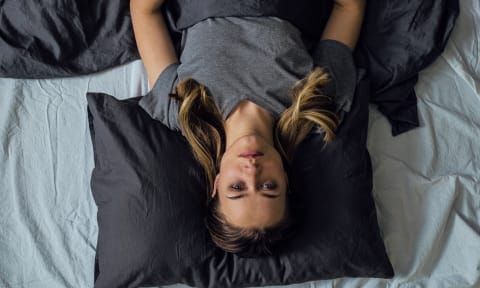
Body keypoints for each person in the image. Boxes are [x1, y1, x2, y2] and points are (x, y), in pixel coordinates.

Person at [130, 0, 366, 257]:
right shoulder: (317, 104)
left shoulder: (183, 109)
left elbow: (144, 11)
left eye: (237, 188)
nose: (252, 172)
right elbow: (349, 9)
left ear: (217, 185)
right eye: (268, 187)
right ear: (286, 181)